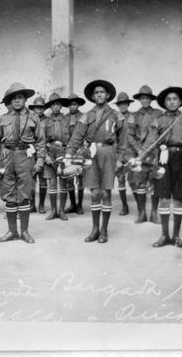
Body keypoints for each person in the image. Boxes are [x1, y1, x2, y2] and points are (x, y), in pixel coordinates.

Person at [0, 82, 46, 243]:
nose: (17, 101)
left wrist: (39, 160)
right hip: (7, 157)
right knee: (9, 193)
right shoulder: (3, 119)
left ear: (25, 99)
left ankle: (24, 231)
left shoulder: (34, 118)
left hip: (26, 157)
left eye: (20, 97)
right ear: (10, 101)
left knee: (24, 194)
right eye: (14, 98)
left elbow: (40, 141)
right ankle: (12, 231)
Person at [66, 80, 127, 243]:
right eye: (96, 93)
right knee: (94, 192)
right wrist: (68, 155)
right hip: (90, 154)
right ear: (92, 97)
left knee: (106, 192)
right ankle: (94, 229)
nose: (99, 94)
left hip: (108, 153)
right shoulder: (88, 115)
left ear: (107, 95)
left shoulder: (116, 114)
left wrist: (121, 159)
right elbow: (76, 137)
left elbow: (123, 139)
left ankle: (104, 230)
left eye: (102, 92)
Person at [146, 86, 182, 249]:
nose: (171, 102)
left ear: (180, 101)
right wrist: (149, 163)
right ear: (164, 102)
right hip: (163, 159)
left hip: (181, 159)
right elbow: (150, 143)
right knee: (164, 198)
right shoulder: (158, 121)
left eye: (174, 99)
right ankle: (164, 236)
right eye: (168, 99)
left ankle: (176, 237)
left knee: (178, 198)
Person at [130, 85, 164, 224]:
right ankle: (142, 213)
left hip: (155, 153)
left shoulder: (158, 113)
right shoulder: (134, 116)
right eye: (142, 98)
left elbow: (162, 131)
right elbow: (130, 136)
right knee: (140, 184)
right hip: (140, 153)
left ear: (151, 99)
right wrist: (139, 150)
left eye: (147, 98)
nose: (145, 100)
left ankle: (154, 213)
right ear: (139, 99)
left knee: (155, 183)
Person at [43, 93, 71, 221]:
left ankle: (61, 210)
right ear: (50, 106)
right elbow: (41, 140)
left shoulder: (67, 119)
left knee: (63, 181)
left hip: (63, 151)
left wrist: (69, 154)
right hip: (50, 152)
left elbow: (73, 137)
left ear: (61, 105)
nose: (55, 106)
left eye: (58, 104)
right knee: (52, 182)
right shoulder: (45, 121)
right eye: (53, 104)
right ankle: (53, 210)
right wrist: (45, 155)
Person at [112, 92, 136, 215]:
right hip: (120, 153)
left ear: (128, 104)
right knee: (121, 179)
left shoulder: (133, 117)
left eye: (125, 103)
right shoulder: (115, 117)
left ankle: (140, 208)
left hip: (132, 153)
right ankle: (125, 206)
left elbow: (137, 135)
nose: (123, 106)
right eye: (120, 104)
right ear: (118, 105)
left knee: (134, 180)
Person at [64, 93, 87, 215]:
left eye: (74, 104)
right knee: (69, 177)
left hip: (80, 151)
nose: (72, 107)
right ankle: (72, 204)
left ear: (78, 104)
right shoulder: (65, 118)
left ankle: (80, 205)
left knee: (80, 178)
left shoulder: (84, 117)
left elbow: (87, 134)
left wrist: (83, 147)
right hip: (68, 151)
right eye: (70, 104)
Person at [28, 96, 48, 213]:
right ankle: (32, 204)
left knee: (43, 180)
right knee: (31, 179)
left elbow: (49, 139)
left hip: (44, 152)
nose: (39, 110)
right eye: (36, 108)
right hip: (30, 152)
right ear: (33, 108)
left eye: (41, 108)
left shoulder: (48, 121)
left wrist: (46, 153)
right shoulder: (29, 120)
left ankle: (41, 205)